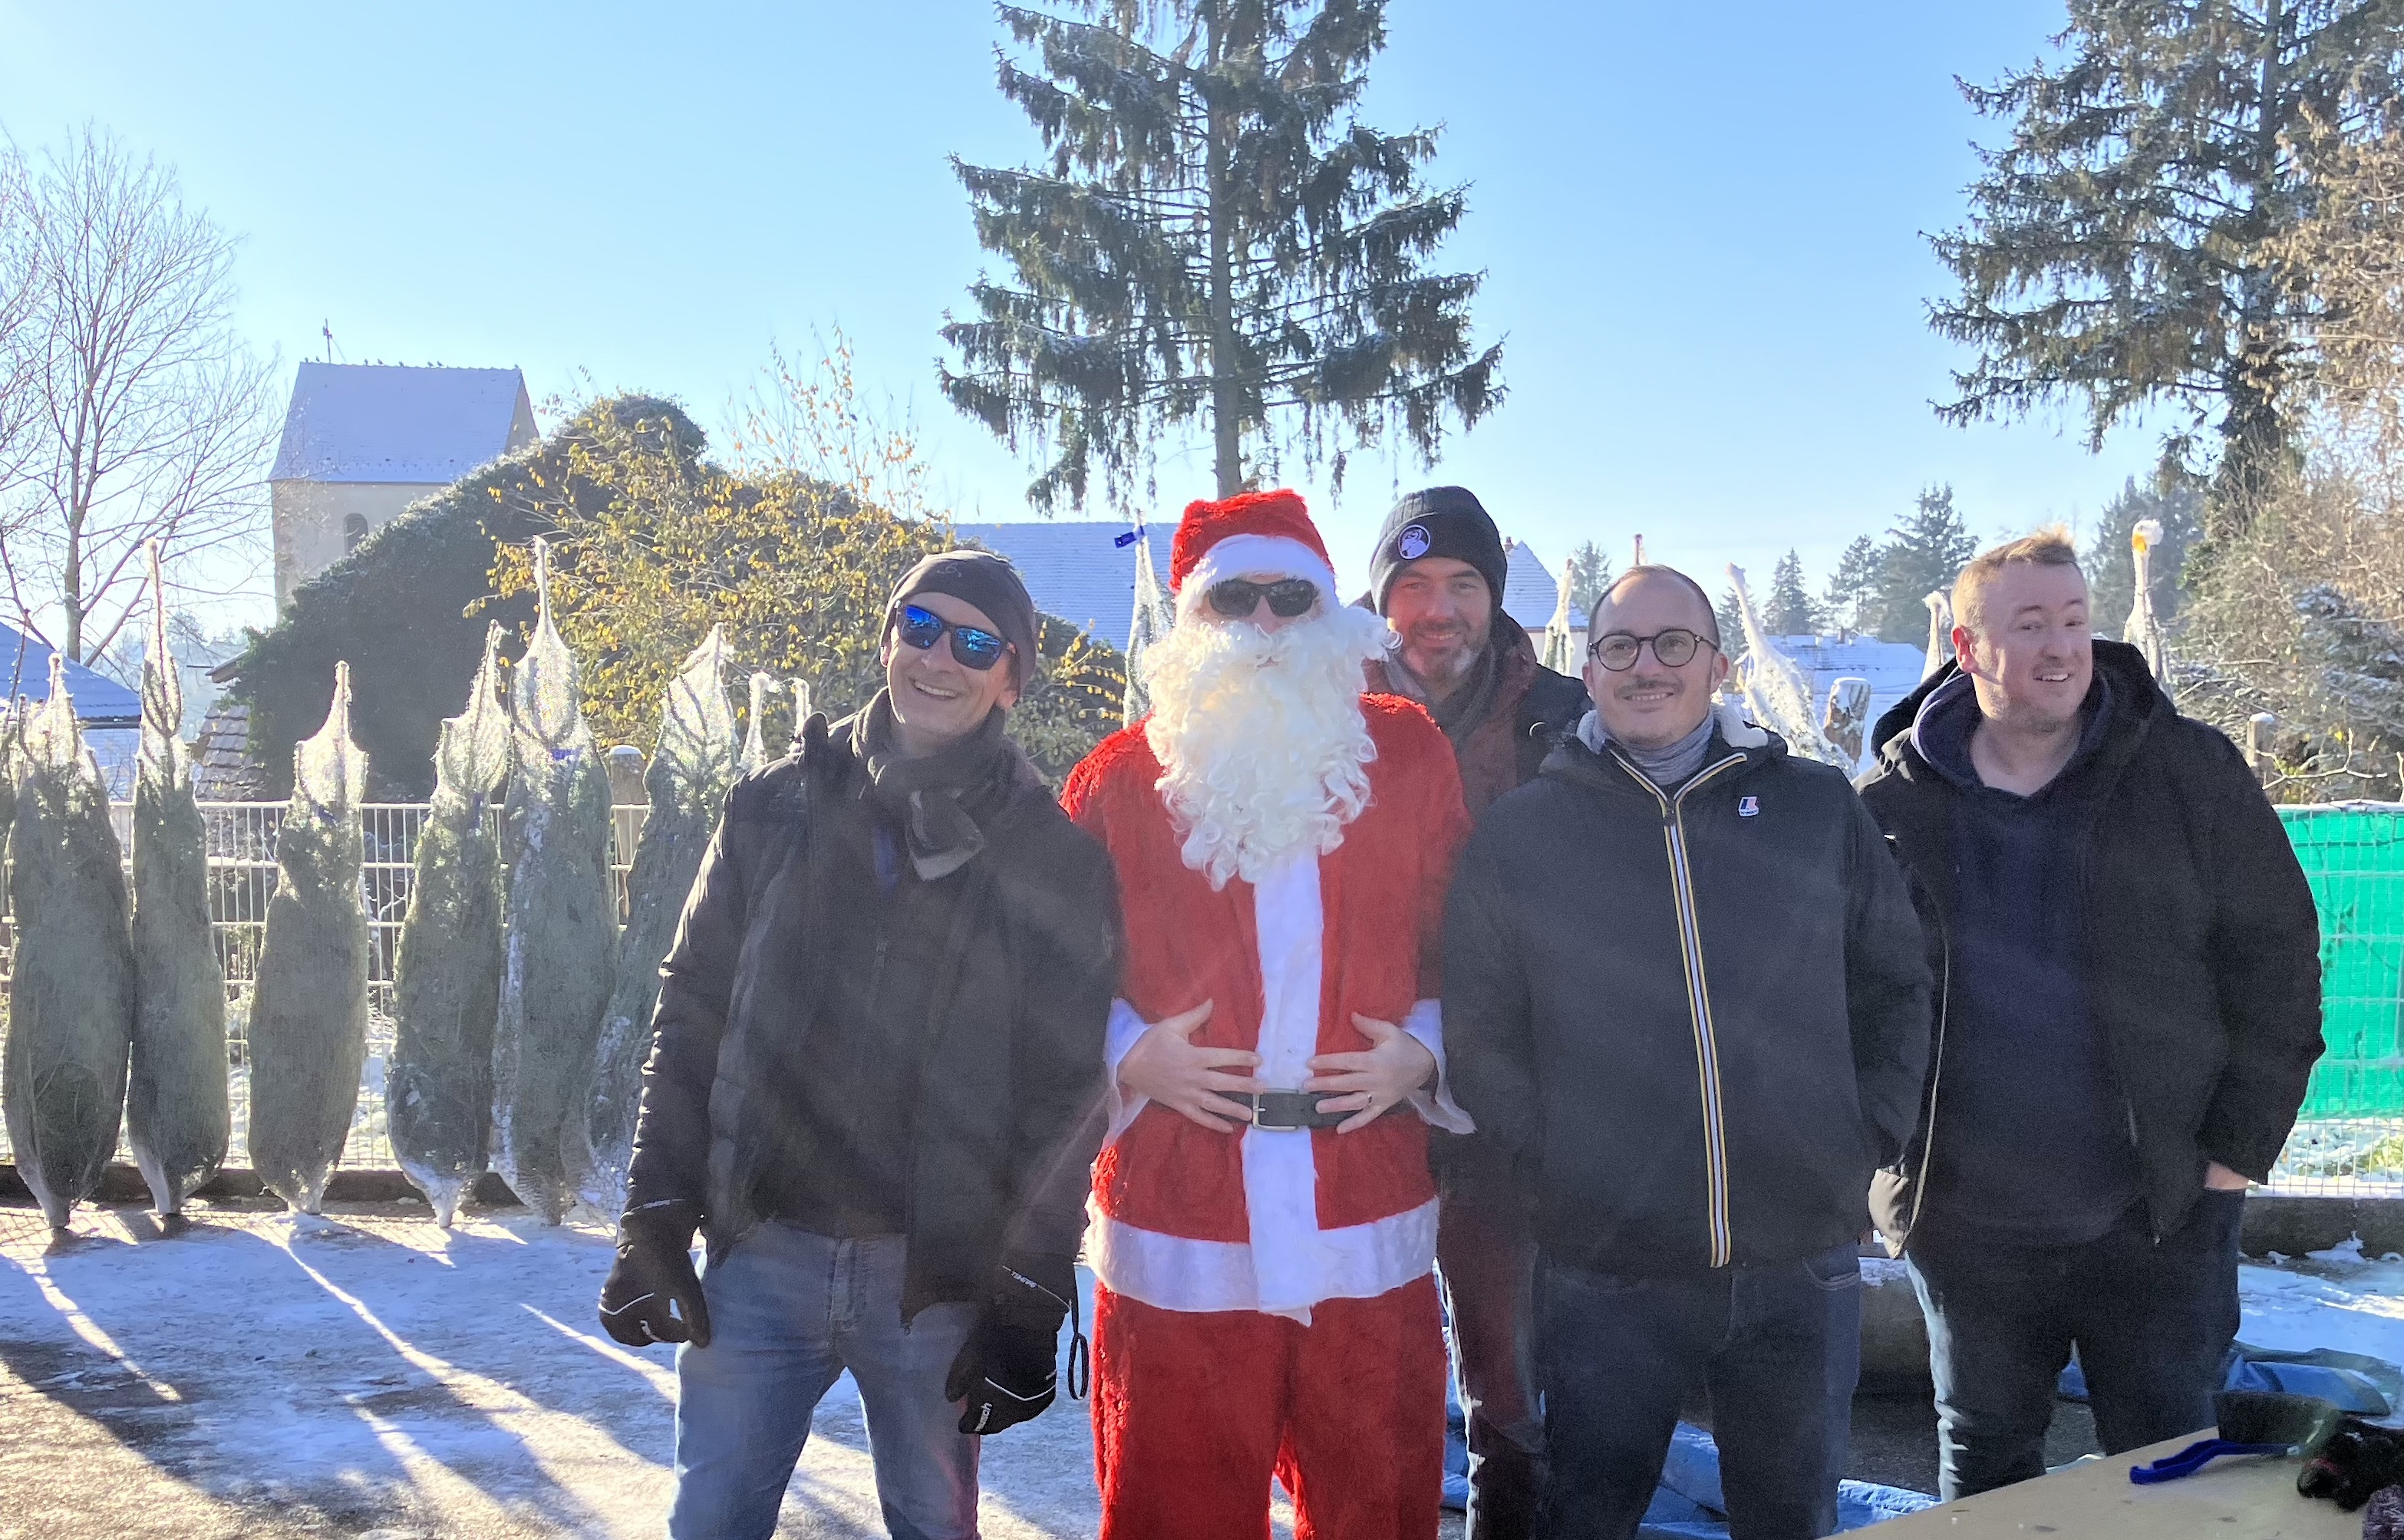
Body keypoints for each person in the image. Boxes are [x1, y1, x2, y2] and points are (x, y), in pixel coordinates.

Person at [599, 551, 1122, 1540]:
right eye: (920, 628)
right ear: (887, 639)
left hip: (931, 1280)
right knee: (709, 1520)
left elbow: (1065, 1095)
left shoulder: (1051, 858)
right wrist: (655, 1214)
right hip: (763, 1252)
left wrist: (1027, 1294)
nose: (939, 659)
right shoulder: (773, 806)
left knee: (935, 1526)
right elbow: (691, 1009)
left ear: (1012, 678)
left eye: (976, 643)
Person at [1445, 565, 1931, 1540]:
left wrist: (1860, 1132)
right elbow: (1477, 1024)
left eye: (1674, 644)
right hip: (1605, 1266)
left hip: (1798, 1258)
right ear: (1589, 668)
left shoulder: (1813, 806)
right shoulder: (1523, 836)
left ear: (1715, 664)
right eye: (1620, 646)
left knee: (1790, 1518)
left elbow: (1895, 981)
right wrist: (1557, 1158)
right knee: (1584, 1516)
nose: (1647, 666)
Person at [1856, 530, 2323, 1501]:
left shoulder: (2186, 773)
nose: (2060, 645)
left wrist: (2235, 1150)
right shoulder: (1889, 807)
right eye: (2027, 625)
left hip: (2157, 1213)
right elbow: (1839, 997)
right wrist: (1881, 1156)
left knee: (2166, 1477)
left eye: (2073, 619)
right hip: (1966, 1224)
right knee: (1986, 1471)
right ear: (1966, 645)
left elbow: (2277, 960)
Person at [1061, 488, 1475, 1540]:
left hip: (1362, 1205)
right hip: (1180, 1213)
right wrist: (1127, 1053)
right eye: (1232, 596)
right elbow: (1044, 974)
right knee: (1173, 1507)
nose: (1262, 622)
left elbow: (1472, 948)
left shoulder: (1412, 757)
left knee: (1376, 1503)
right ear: (1189, 618)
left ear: (1332, 611)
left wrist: (1422, 1049)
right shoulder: (1114, 779)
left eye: (1291, 595)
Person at [1364, 485, 1588, 1540]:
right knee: (1367, 1359)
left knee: (1510, 1378)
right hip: (1359, 1091)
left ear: (1494, 597)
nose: (1437, 606)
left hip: (1517, 1103)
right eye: (1412, 584)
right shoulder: (1328, 711)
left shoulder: (1564, 718)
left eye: (1462, 582)